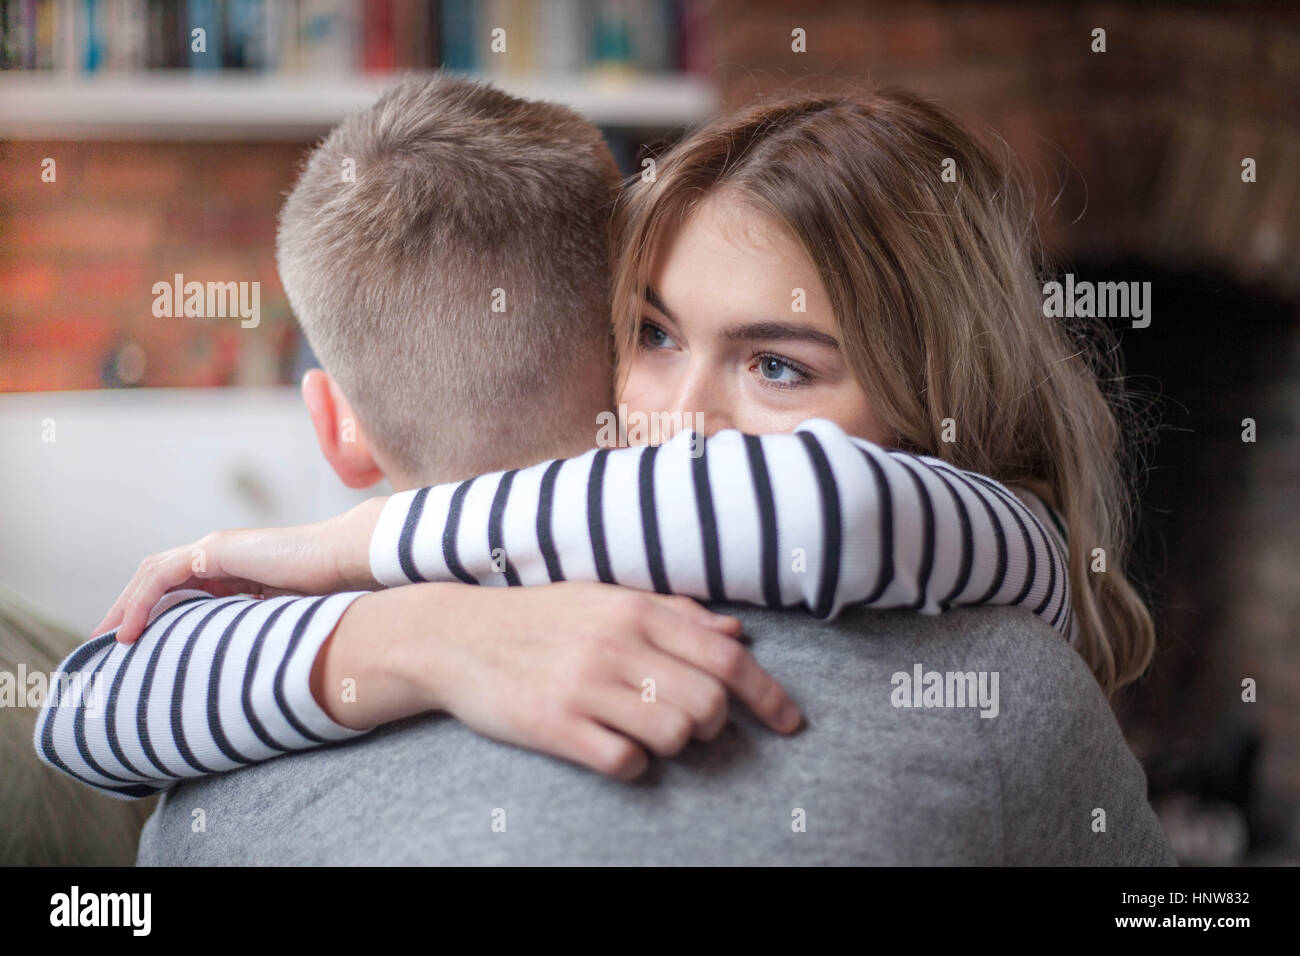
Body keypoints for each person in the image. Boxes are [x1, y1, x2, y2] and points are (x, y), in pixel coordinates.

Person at [38, 80, 1163, 866]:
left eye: (777, 365)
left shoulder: (974, 599)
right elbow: (91, 702)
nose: (679, 418)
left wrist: (358, 543)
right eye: (654, 333)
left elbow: (830, 503)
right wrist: (418, 635)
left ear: (933, 398)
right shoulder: (356, 630)